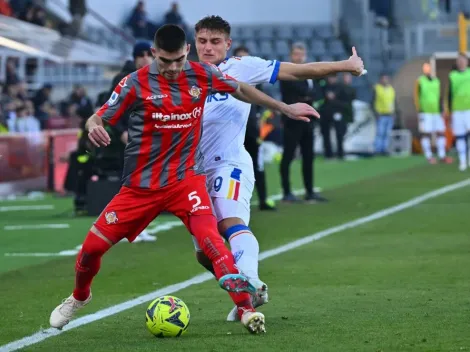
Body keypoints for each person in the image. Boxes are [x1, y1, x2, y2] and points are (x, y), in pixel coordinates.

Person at [49, 24, 318, 334]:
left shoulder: (200, 74)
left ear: (186, 52)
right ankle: (79, 297)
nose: (174, 68)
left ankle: (246, 308)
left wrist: (282, 107)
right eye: (165, 62)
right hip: (140, 187)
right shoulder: (134, 84)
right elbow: (99, 115)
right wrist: (94, 124)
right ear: (154, 55)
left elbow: (241, 89)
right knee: (91, 250)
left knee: (212, 242)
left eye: (178, 60)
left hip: (185, 182)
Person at [193, 15, 364, 321]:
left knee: (229, 223)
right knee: (204, 253)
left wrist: (345, 65)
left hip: (230, 164)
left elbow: (297, 70)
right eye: (202, 41)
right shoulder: (185, 76)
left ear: (227, 44)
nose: (208, 48)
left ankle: (252, 283)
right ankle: (246, 292)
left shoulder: (240, 67)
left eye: (215, 42)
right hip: (195, 174)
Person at [279, 42, 328, 202]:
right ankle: (286, 191)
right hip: (292, 120)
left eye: (301, 54)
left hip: (308, 120)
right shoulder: (286, 72)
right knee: (289, 155)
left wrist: (309, 96)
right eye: (296, 54)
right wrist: (309, 96)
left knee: (308, 156)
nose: (299, 57)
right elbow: (300, 92)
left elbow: (317, 92)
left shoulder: (308, 73)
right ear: (291, 55)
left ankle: (309, 190)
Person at [233, 45, 276, 211]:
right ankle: (236, 202)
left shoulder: (256, 80)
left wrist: (260, 120)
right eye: (240, 58)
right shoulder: (226, 79)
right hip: (235, 130)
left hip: (252, 129)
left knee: (257, 165)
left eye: (246, 58)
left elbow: (261, 102)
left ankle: (264, 199)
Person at [414, 62, 452, 164]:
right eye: (425, 68)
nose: (427, 69)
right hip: (425, 112)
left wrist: (443, 109)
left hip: (436, 112)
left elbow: (439, 97)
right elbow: (416, 96)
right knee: (426, 134)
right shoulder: (420, 81)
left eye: (428, 67)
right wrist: (419, 110)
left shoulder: (436, 81)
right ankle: (429, 156)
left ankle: (442, 155)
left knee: (441, 132)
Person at [447, 52, 470, 171]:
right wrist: (449, 111)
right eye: (459, 60)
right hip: (457, 110)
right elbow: (450, 94)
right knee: (460, 136)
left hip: (469, 109)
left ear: (467, 61)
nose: (461, 62)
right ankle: (462, 160)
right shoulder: (453, 76)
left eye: (463, 60)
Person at [372, 73, 396, 155]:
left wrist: (394, 113)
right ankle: (377, 149)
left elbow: (393, 102)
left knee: (387, 133)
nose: (385, 80)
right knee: (380, 133)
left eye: (386, 78)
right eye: (384, 79)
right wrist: (376, 112)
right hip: (381, 115)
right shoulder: (377, 88)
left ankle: (385, 149)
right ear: (380, 79)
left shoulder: (391, 89)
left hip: (389, 114)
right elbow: (373, 101)